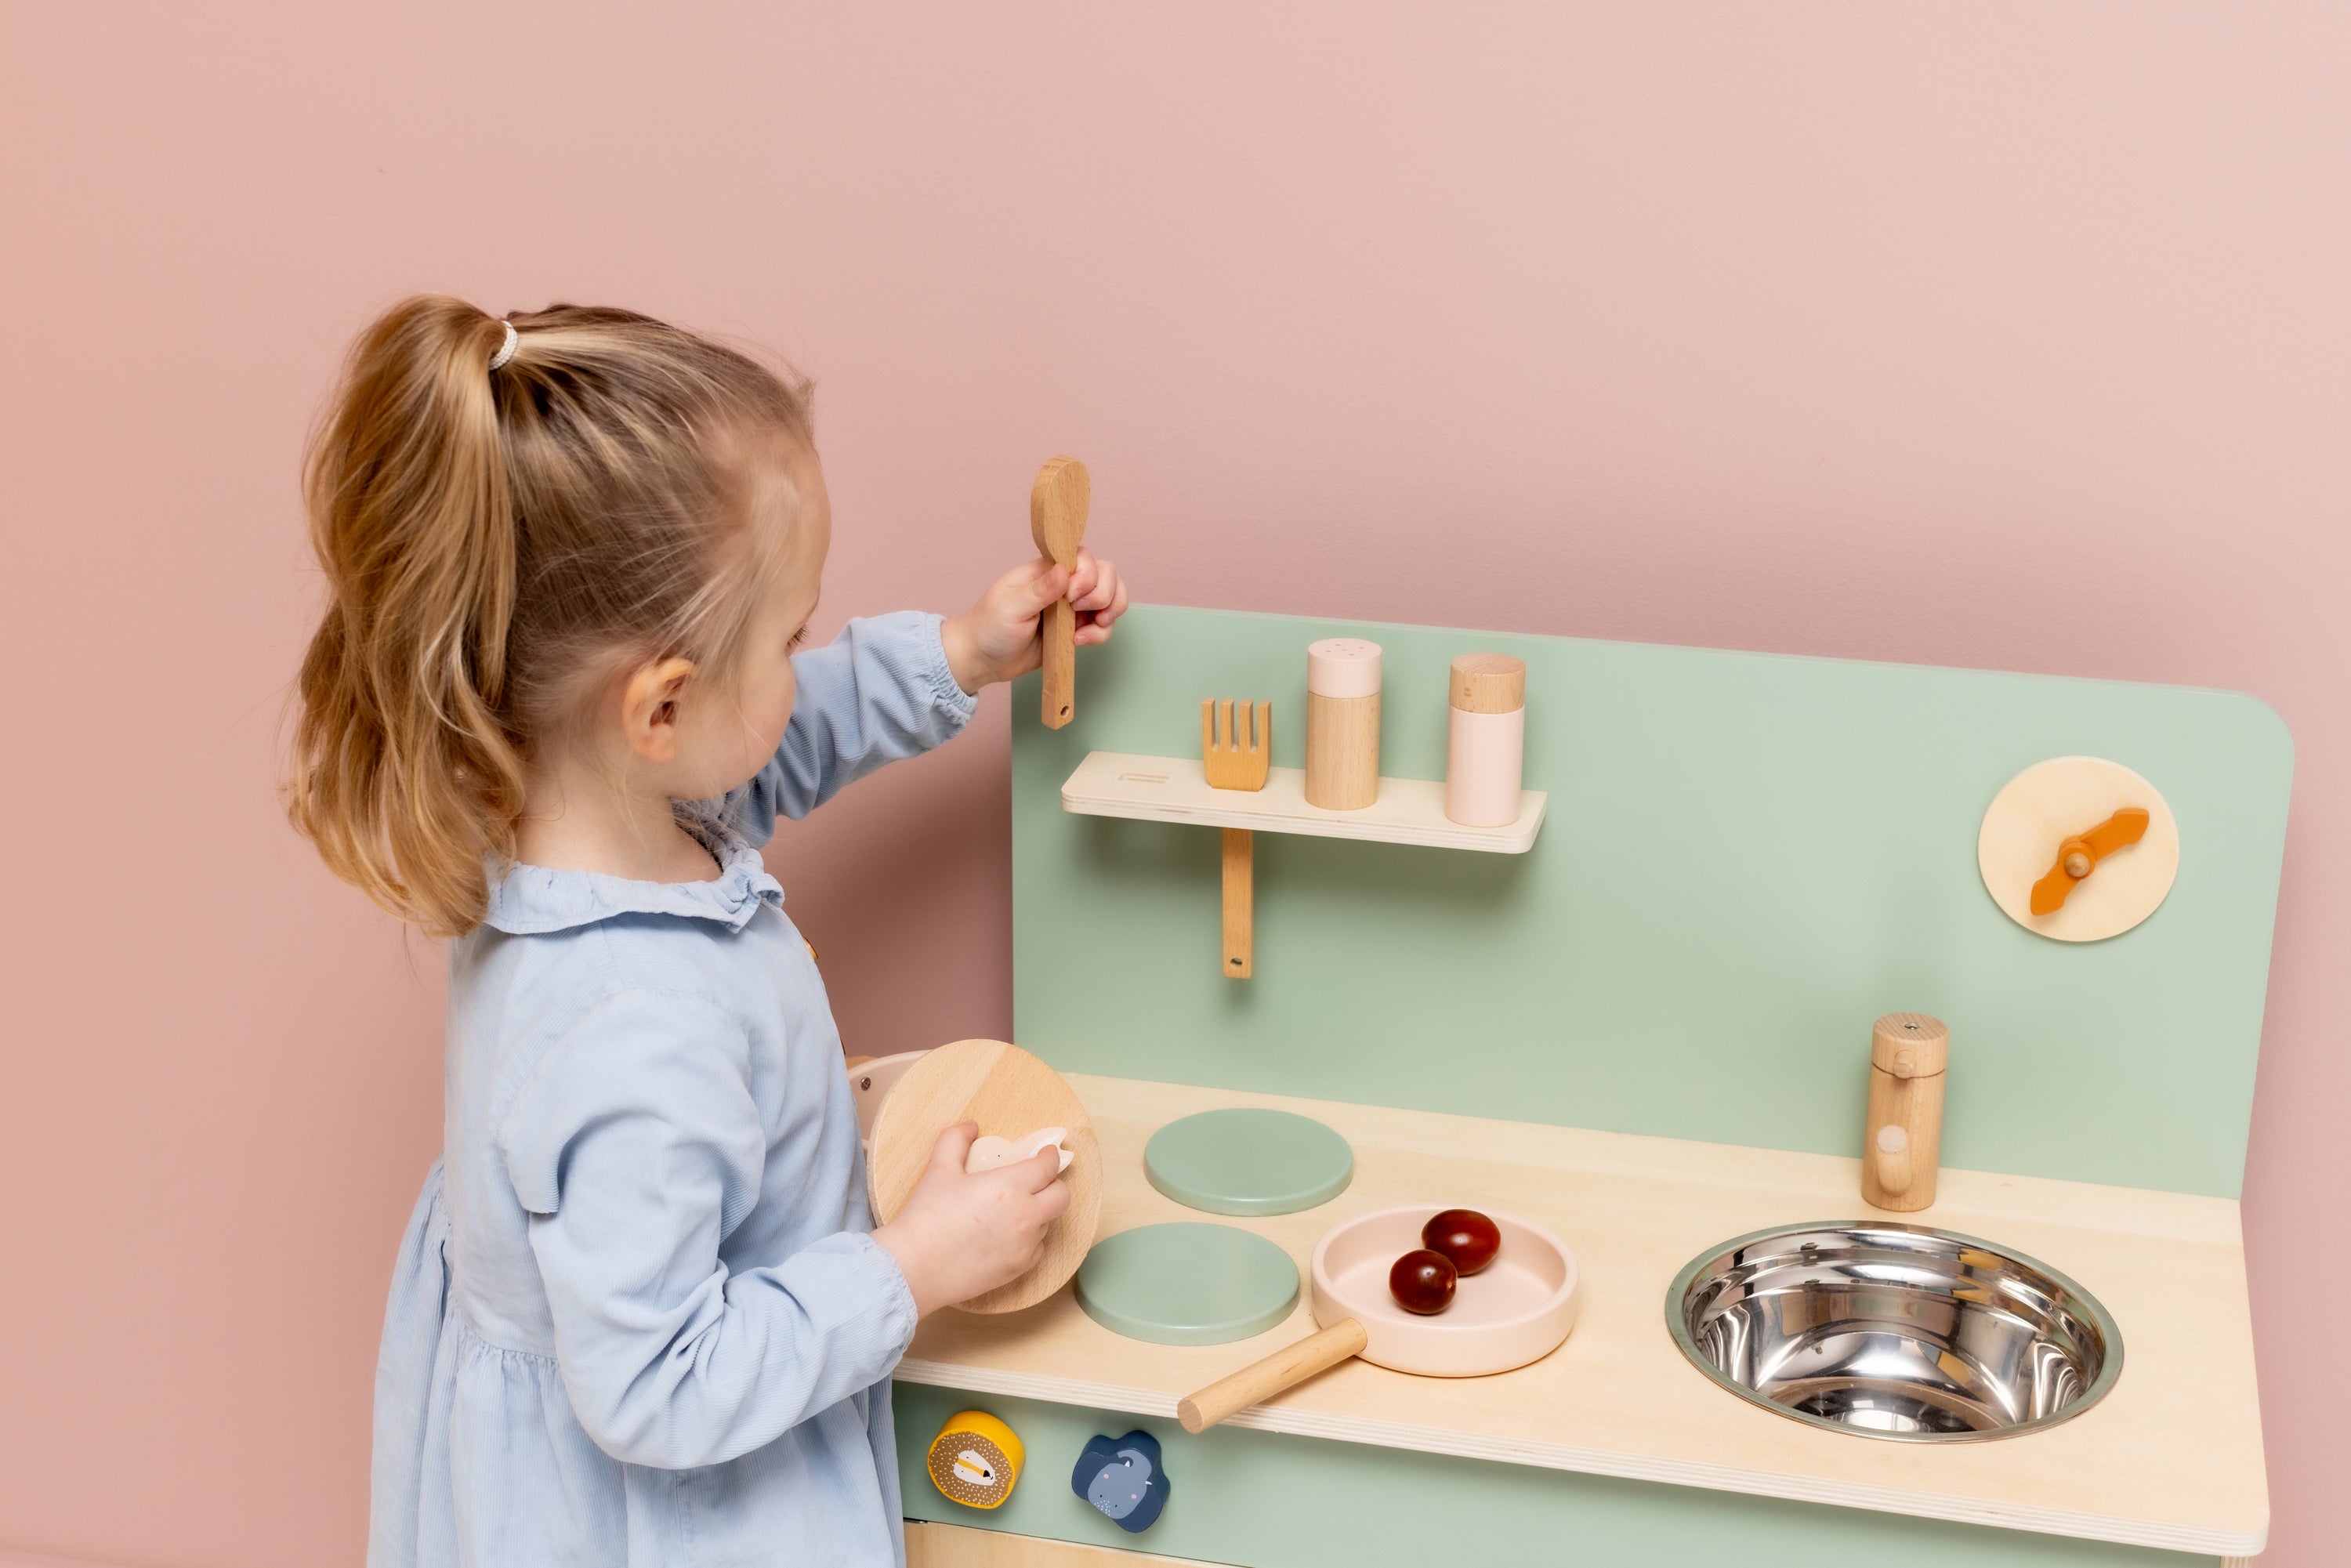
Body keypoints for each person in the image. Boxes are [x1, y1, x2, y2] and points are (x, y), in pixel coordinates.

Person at [285, 296, 1128, 1566]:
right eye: (790, 636)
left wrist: (958, 652)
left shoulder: (582, 811)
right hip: (661, 1514)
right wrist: (916, 1263)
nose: (807, 660)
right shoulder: (634, 1027)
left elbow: (777, 747)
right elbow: (660, 1387)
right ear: (661, 708)